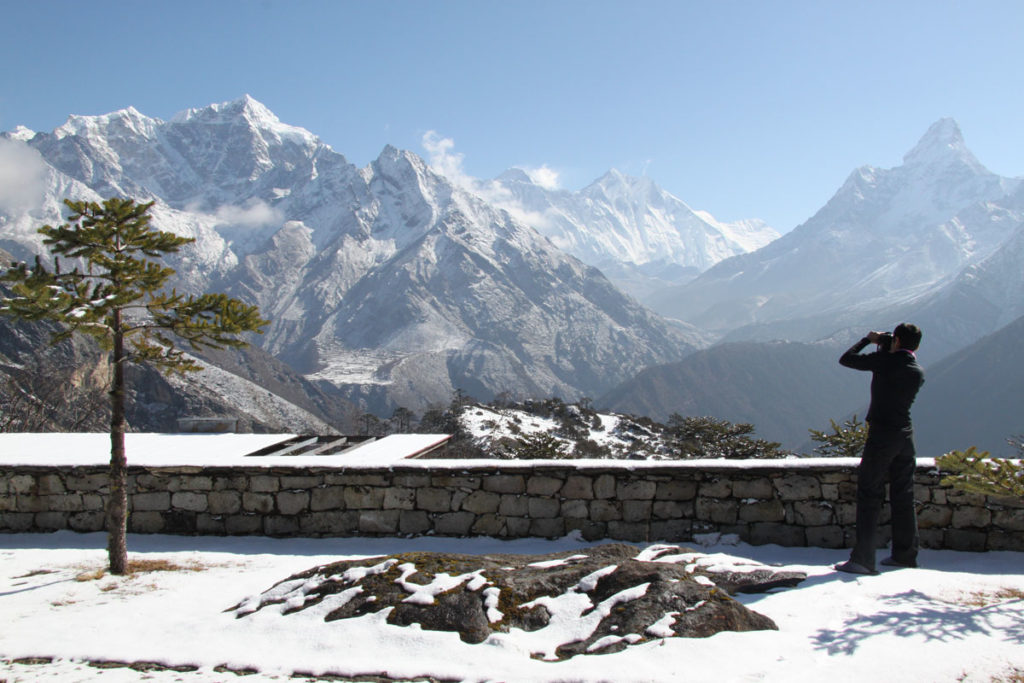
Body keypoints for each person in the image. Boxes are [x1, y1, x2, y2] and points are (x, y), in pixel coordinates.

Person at [834, 323, 925, 575]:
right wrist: (888, 346)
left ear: (895, 340)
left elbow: (847, 359)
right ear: (916, 346)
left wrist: (868, 339)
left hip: (882, 434)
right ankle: (905, 555)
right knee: (903, 494)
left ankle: (862, 559)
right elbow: (895, 361)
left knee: (869, 492)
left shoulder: (886, 363)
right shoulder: (916, 370)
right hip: (905, 435)